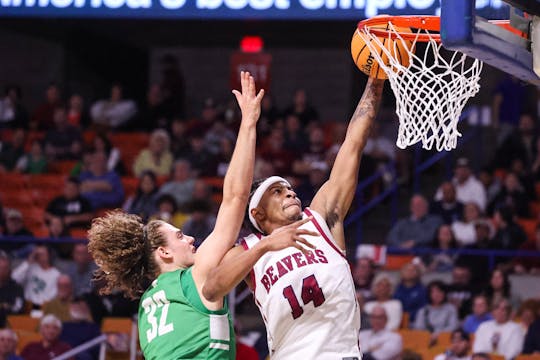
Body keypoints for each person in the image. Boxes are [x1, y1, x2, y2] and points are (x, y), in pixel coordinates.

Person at [88, 72, 314, 359]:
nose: (191, 237)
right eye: (179, 236)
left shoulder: (147, 306)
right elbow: (234, 198)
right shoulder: (192, 278)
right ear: (164, 253)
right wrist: (248, 125)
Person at [211, 77, 386, 359]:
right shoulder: (249, 250)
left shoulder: (320, 220)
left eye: (290, 189)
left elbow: (353, 143)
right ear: (257, 213)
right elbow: (213, 287)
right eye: (277, 192)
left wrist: (375, 83)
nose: (290, 194)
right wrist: (265, 246)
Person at [413, 281, 459, 346]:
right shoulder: (423, 310)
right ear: (429, 294)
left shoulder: (451, 309)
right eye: (433, 292)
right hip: (426, 341)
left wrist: (437, 335)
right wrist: (428, 336)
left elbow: (453, 326)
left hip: (446, 341)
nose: (436, 294)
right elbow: (418, 328)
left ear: (444, 293)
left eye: (439, 291)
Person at [0, 252, 24, 328]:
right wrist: (4, 306)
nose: (2, 271)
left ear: (9, 270)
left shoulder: (17, 288)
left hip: (8, 325)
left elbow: (17, 308)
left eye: (5, 268)